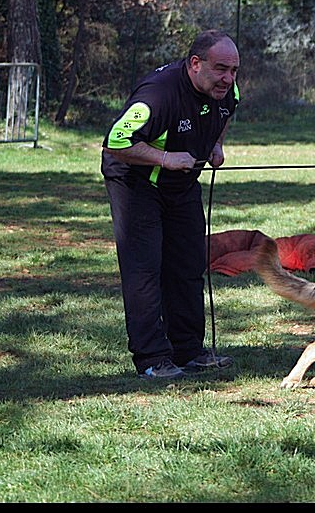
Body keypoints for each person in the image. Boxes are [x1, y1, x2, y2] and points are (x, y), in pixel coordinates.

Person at [101, 29, 239, 380]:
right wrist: (164, 158)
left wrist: (215, 145)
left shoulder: (227, 91)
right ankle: (152, 358)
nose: (228, 78)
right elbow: (116, 142)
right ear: (195, 64)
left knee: (188, 262)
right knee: (145, 269)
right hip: (136, 182)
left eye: (234, 70)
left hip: (181, 183)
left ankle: (188, 350)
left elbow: (225, 113)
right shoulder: (158, 96)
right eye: (221, 69)